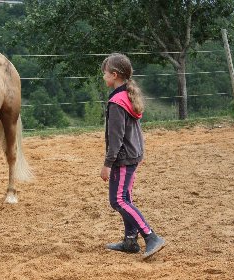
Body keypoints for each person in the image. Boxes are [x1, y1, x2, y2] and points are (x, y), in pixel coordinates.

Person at [100, 53, 165, 259]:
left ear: (115, 75)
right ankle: (130, 241)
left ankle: (151, 236)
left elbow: (116, 137)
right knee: (125, 197)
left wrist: (107, 164)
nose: (103, 77)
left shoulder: (116, 102)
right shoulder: (127, 95)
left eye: (105, 74)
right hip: (133, 154)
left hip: (123, 158)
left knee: (118, 200)